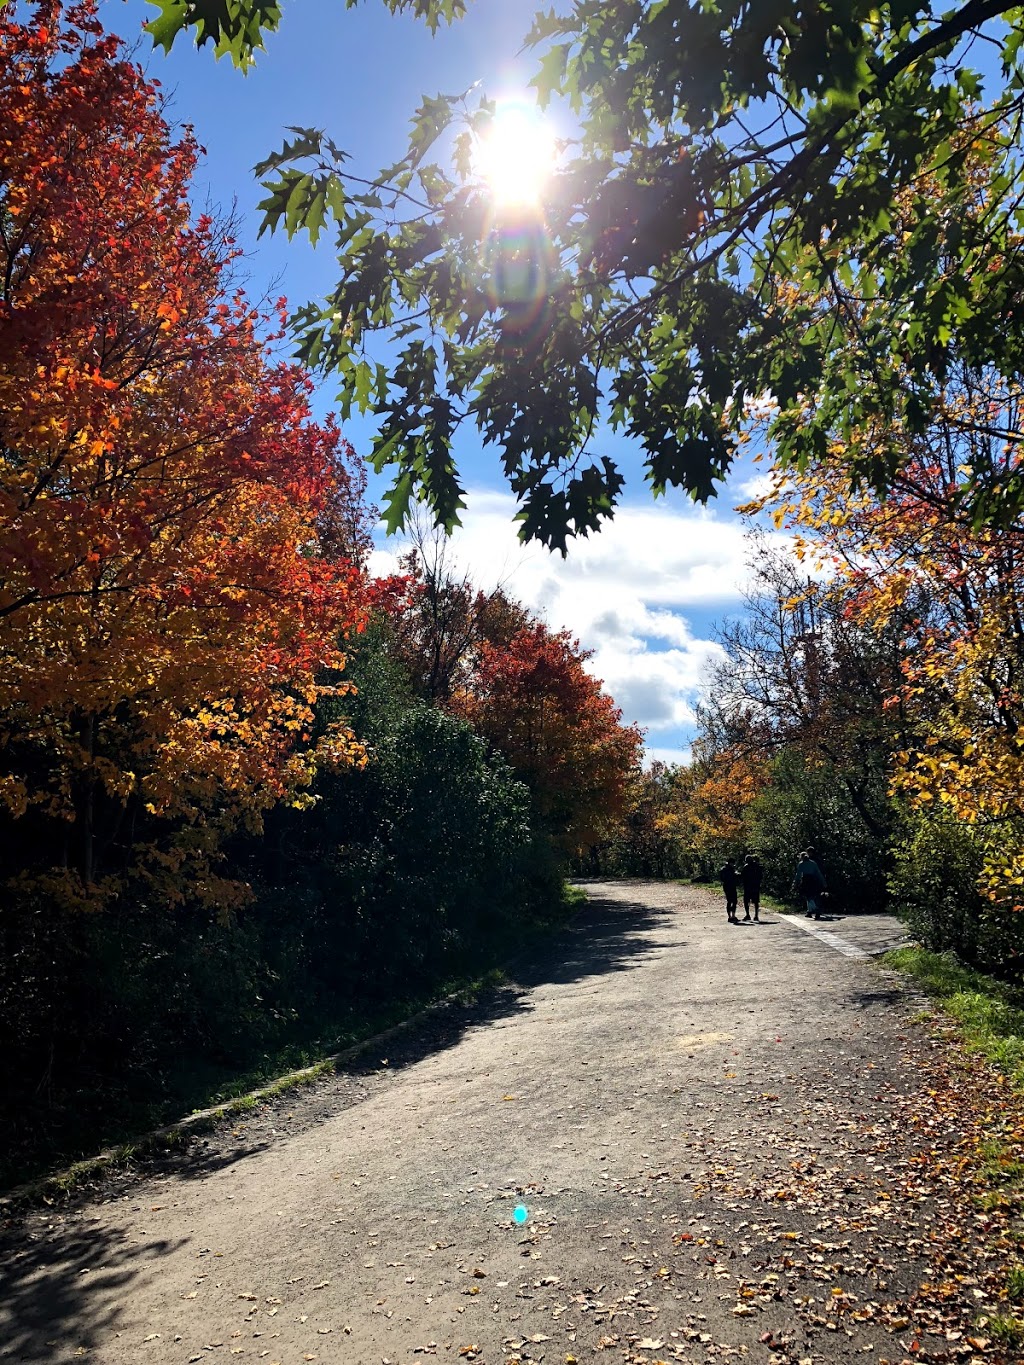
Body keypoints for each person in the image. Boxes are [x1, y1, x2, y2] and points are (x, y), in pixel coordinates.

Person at [792, 850, 826, 919]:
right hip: (813, 880)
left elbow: (798, 875)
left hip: (806, 880)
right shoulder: (813, 863)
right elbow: (818, 873)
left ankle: (815, 909)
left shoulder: (801, 864)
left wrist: (795, 883)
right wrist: (823, 882)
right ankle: (809, 911)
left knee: (808, 897)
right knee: (813, 896)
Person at [741, 854, 762, 922]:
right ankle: (756, 915)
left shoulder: (746, 867)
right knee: (755, 901)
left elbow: (743, 877)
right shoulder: (757, 866)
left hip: (748, 887)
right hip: (755, 886)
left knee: (746, 901)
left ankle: (748, 915)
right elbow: (761, 876)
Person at [718, 858, 739, 923]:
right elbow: (734, 877)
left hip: (726, 886)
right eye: (733, 863)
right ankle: (733, 915)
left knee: (729, 901)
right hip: (731, 886)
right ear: (731, 863)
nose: (733, 865)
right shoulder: (731, 870)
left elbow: (721, 878)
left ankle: (729, 916)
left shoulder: (723, 869)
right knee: (734, 901)